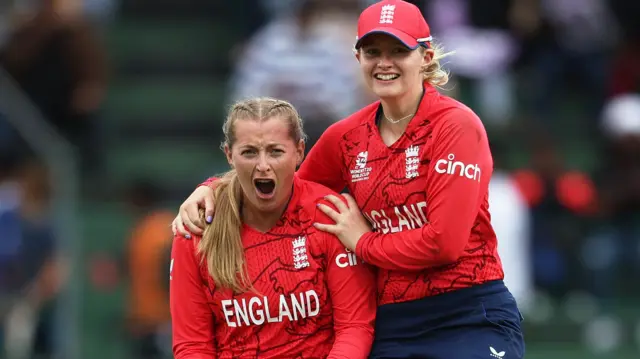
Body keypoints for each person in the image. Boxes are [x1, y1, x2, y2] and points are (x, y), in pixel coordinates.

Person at [173, 1, 525, 358]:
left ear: (426, 56)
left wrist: (364, 242)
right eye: (373, 51)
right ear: (358, 59)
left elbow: (443, 243)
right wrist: (211, 190)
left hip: (467, 312)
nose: (384, 63)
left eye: (398, 51)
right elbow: (285, 190)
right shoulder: (347, 137)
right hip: (391, 323)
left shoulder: (455, 125)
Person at [170, 97, 376, 359]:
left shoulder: (331, 216)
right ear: (229, 155)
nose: (263, 165)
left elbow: (354, 328)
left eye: (275, 151)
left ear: (299, 151)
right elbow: (192, 346)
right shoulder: (197, 228)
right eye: (249, 152)